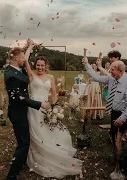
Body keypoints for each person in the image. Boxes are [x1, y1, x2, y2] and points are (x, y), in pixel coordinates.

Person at [23, 39, 83, 178]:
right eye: (37, 65)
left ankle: (50, 152)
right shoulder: (31, 75)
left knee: (47, 131)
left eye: (42, 65)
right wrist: (30, 47)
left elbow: (54, 94)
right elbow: (25, 60)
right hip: (33, 108)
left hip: (46, 108)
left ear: (46, 66)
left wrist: (55, 108)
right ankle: (37, 155)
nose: (39, 68)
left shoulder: (50, 77)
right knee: (36, 132)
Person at [83, 57, 127, 173]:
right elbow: (96, 77)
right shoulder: (112, 79)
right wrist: (87, 65)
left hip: (123, 115)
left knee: (120, 138)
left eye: (112, 69)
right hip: (114, 113)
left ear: (120, 71)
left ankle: (122, 166)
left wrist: (122, 119)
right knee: (113, 136)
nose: (110, 71)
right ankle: (117, 158)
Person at [4, 44, 50, 180]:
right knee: (24, 143)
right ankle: (12, 175)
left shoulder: (17, 69)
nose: (25, 59)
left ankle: (21, 161)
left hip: (23, 111)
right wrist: (39, 104)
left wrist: (29, 47)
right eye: (23, 57)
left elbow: (25, 61)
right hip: (18, 113)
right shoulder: (10, 74)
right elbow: (19, 98)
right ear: (17, 58)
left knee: (22, 141)